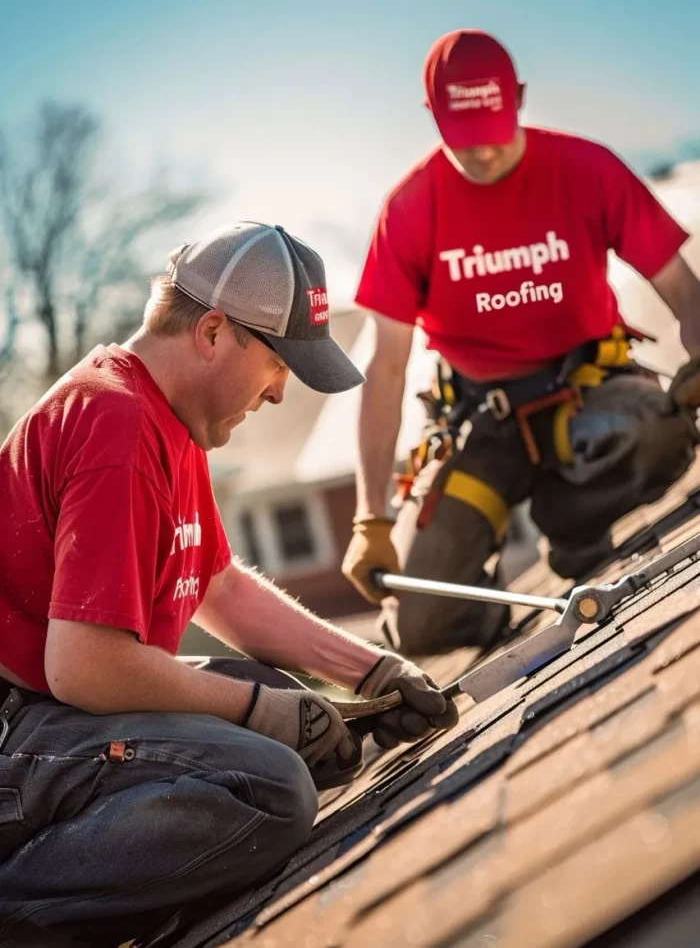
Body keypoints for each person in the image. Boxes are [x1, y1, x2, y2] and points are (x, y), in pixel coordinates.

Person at [0, 221, 458, 948]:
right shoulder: (113, 422)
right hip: (18, 738)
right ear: (213, 330)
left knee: (273, 711)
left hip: (47, 720)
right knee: (271, 787)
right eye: (280, 364)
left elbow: (218, 586)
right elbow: (84, 664)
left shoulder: (167, 419)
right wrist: (264, 714)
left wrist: (366, 670)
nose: (280, 394)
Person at [342, 30, 700, 657]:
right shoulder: (410, 209)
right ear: (434, 118)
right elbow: (386, 370)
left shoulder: (586, 169)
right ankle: (487, 609)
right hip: (482, 428)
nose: (483, 153)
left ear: (521, 98)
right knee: (420, 626)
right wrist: (369, 518)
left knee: (660, 426)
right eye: (465, 138)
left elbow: (681, 286)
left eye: (495, 127)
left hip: (583, 397)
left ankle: (573, 523)